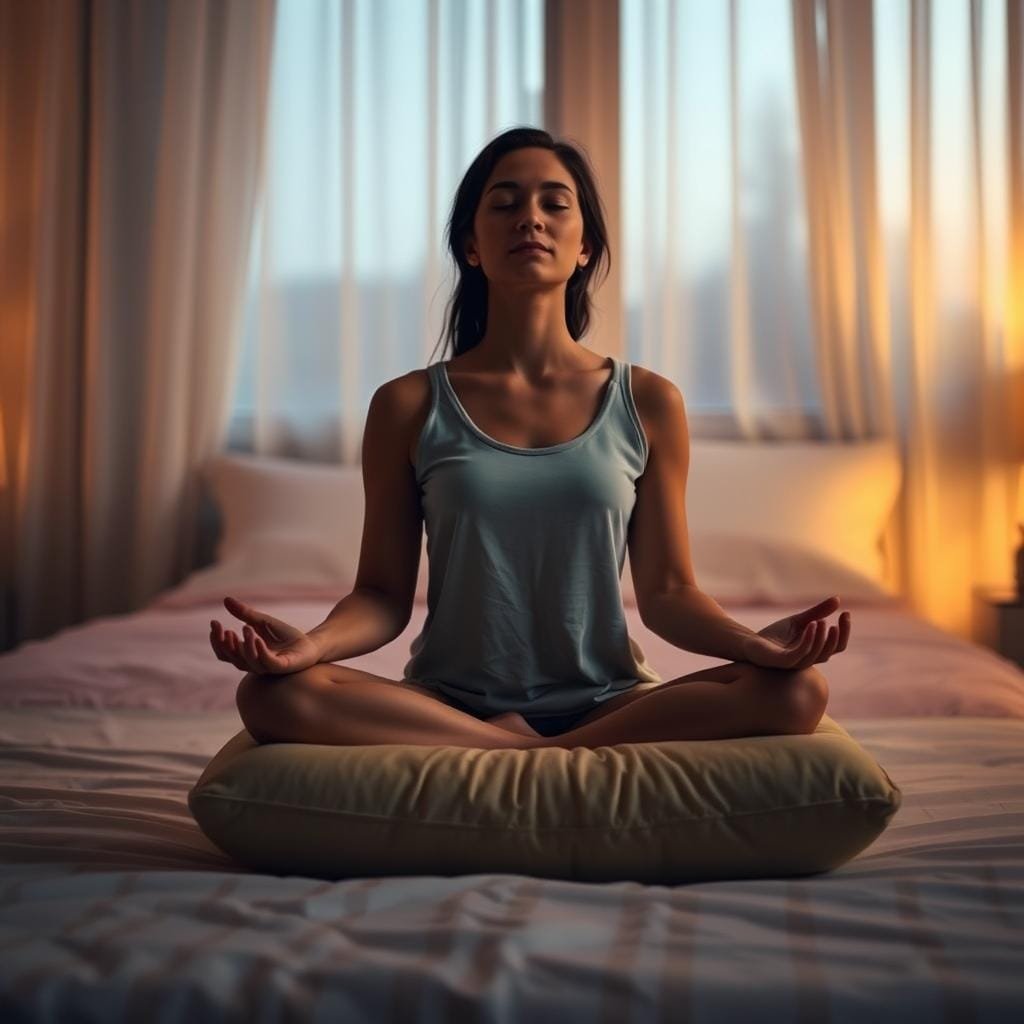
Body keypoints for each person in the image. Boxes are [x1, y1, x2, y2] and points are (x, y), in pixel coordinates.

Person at [211, 127, 851, 752]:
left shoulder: (650, 401)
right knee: (272, 696)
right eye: (505, 202)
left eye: (554, 203)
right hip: (448, 700)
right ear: (471, 246)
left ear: (584, 248)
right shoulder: (407, 405)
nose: (531, 218)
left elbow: (669, 595)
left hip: (607, 698)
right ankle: (531, 748)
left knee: (795, 692)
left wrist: (752, 645)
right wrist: (308, 647)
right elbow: (380, 596)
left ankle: (518, 749)